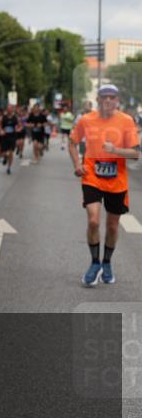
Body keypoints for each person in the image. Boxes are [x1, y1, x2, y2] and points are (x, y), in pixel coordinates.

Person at [68, 84, 140, 286]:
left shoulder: (126, 121)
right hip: (91, 176)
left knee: (113, 226)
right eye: (104, 97)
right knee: (93, 221)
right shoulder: (86, 119)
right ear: (98, 100)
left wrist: (115, 150)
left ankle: (107, 263)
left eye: (112, 97)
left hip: (117, 181)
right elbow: (72, 142)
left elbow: (136, 153)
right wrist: (77, 164)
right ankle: (94, 263)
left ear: (117, 101)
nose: (108, 100)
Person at [0, 104, 21, 175]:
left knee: (11, 152)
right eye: (8, 108)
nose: (9, 110)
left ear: (12, 109)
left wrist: (18, 129)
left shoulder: (16, 118)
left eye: (10, 108)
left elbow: (20, 126)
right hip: (4, 137)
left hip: (12, 137)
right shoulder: (2, 117)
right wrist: (0, 130)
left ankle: (9, 168)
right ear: (6, 110)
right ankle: (5, 157)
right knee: (3, 153)